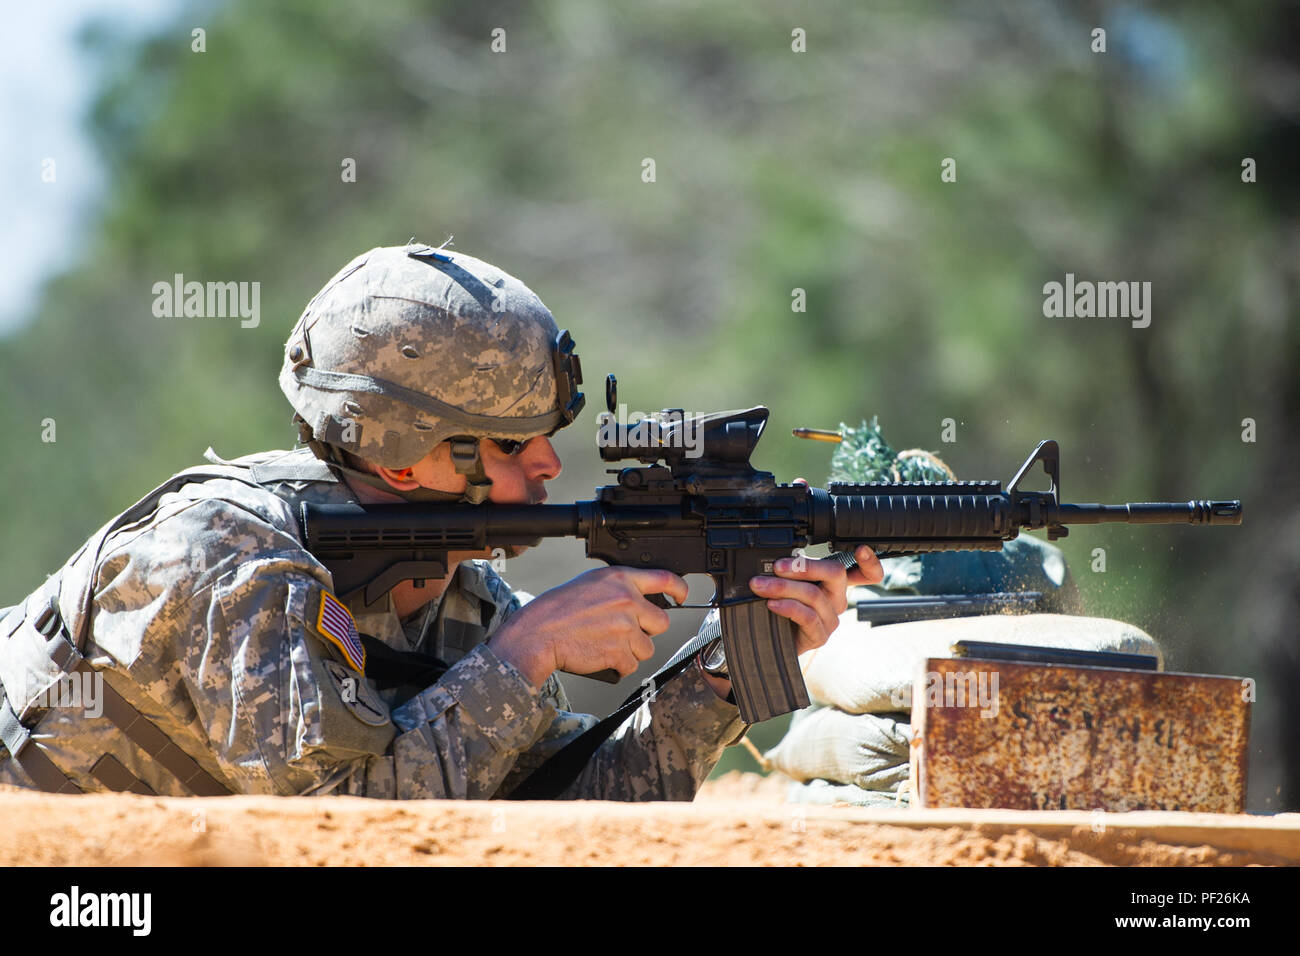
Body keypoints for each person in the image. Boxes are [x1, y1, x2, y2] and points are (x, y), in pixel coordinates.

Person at [0, 242, 881, 800]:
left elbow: (552, 813)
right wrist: (525, 653)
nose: (545, 467)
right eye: (510, 447)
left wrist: (726, 675)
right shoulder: (222, 556)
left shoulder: (455, 591)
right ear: (401, 458)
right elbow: (334, 837)